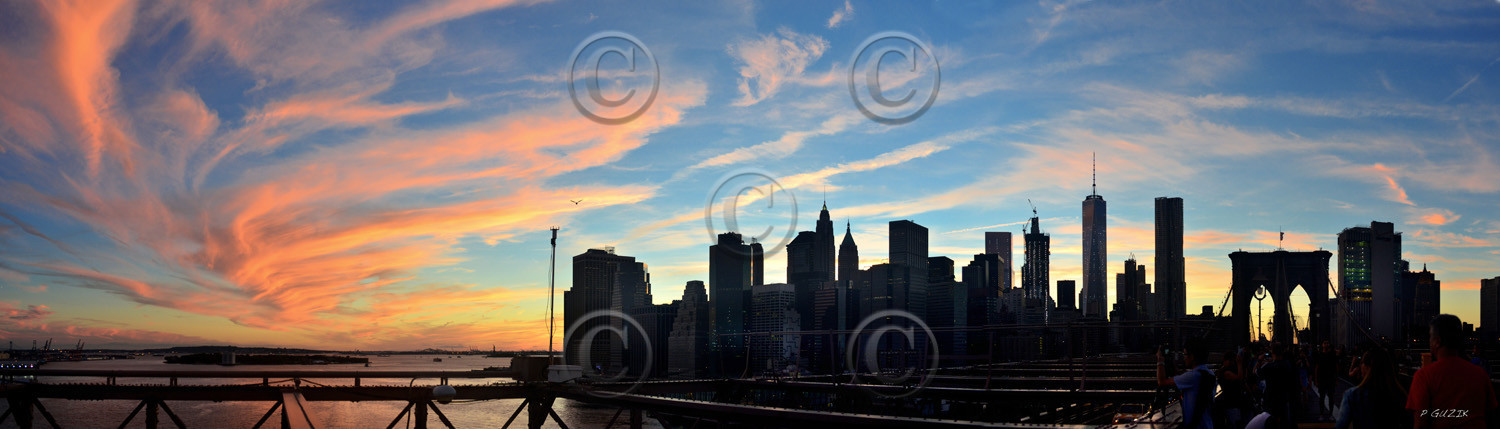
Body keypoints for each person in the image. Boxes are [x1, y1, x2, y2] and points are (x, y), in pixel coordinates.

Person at [1407, 314, 1498, 428]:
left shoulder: (1424, 376)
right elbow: (1491, 416)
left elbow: (1420, 423)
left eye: (1430, 336)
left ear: (1437, 341)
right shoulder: (1480, 374)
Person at [1335, 348, 1409, 429]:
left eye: (1362, 363)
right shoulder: (1400, 394)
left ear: (1366, 366)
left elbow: (1341, 425)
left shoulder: (1353, 394)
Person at [1158, 340, 1215, 428]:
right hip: (1207, 424)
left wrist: (1160, 361)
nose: (1184, 357)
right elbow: (1181, 375)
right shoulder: (1210, 374)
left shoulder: (1192, 376)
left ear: (1192, 356)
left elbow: (1162, 382)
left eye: (1185, 354)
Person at [1258, 342, 1301, 429]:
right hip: (1284, 399)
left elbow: (1256, 372)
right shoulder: (1288, 364)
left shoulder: (1268, 367)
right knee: (1285, 422)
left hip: (1270, 401)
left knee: (1270, 423)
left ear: (1272, 352)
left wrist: (1259, 361)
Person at [1215, 350, 1249, 429]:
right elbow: (1240, 378)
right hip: (1231, 403)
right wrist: (1239, 364)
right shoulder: (1226, 372)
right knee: (1235, 424)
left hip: (1231, 402)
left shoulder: (1223, 370)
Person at [1315, 340, 1339, 418]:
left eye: (1327, 343)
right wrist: (1316, 380)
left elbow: (1336, 367)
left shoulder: (1332, 355)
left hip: (1330, 379)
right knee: (1322, 398)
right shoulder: (1319, 355)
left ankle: (1330, 414)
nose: (1326, 344)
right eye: (1325, 343)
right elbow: (1317, 368)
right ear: (1322, 345)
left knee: (1331, 398)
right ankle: (1322, 414)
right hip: (1322, 379)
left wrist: (1336, 379)